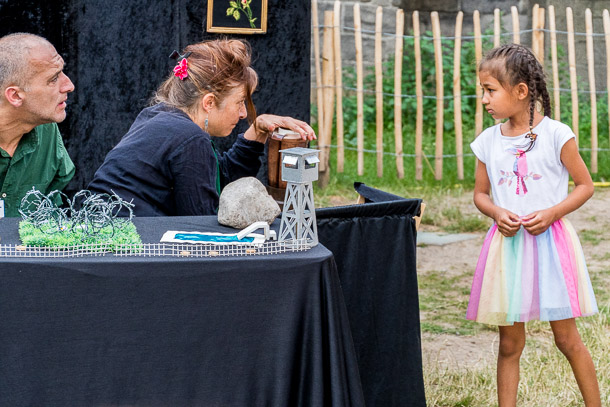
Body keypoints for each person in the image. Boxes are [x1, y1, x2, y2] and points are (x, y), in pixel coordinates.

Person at [466, 44, 601, 406]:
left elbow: (585, 186)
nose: (484, 99)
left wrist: (553, 213)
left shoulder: (557, 135)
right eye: (483, 90)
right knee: (509, 344)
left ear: (521, 91)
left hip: (551, 248)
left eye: (490, 90)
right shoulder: (487, 143)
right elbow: (480, 194)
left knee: (567, 340)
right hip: (508, 249)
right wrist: (496, 213)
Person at [88, 39, 315, 216]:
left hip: (101, 236)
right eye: (239, 102)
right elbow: (201, 226)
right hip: (125, 251)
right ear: (208, 103)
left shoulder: (157, 116)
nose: (244, 113)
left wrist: (257, 131)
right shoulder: (190, 139)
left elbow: (217, 176)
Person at [0, 33, 75, 217]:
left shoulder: (45, 128)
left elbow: (51, 213)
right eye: (54, 78)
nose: (69, 86)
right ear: (15, 96)